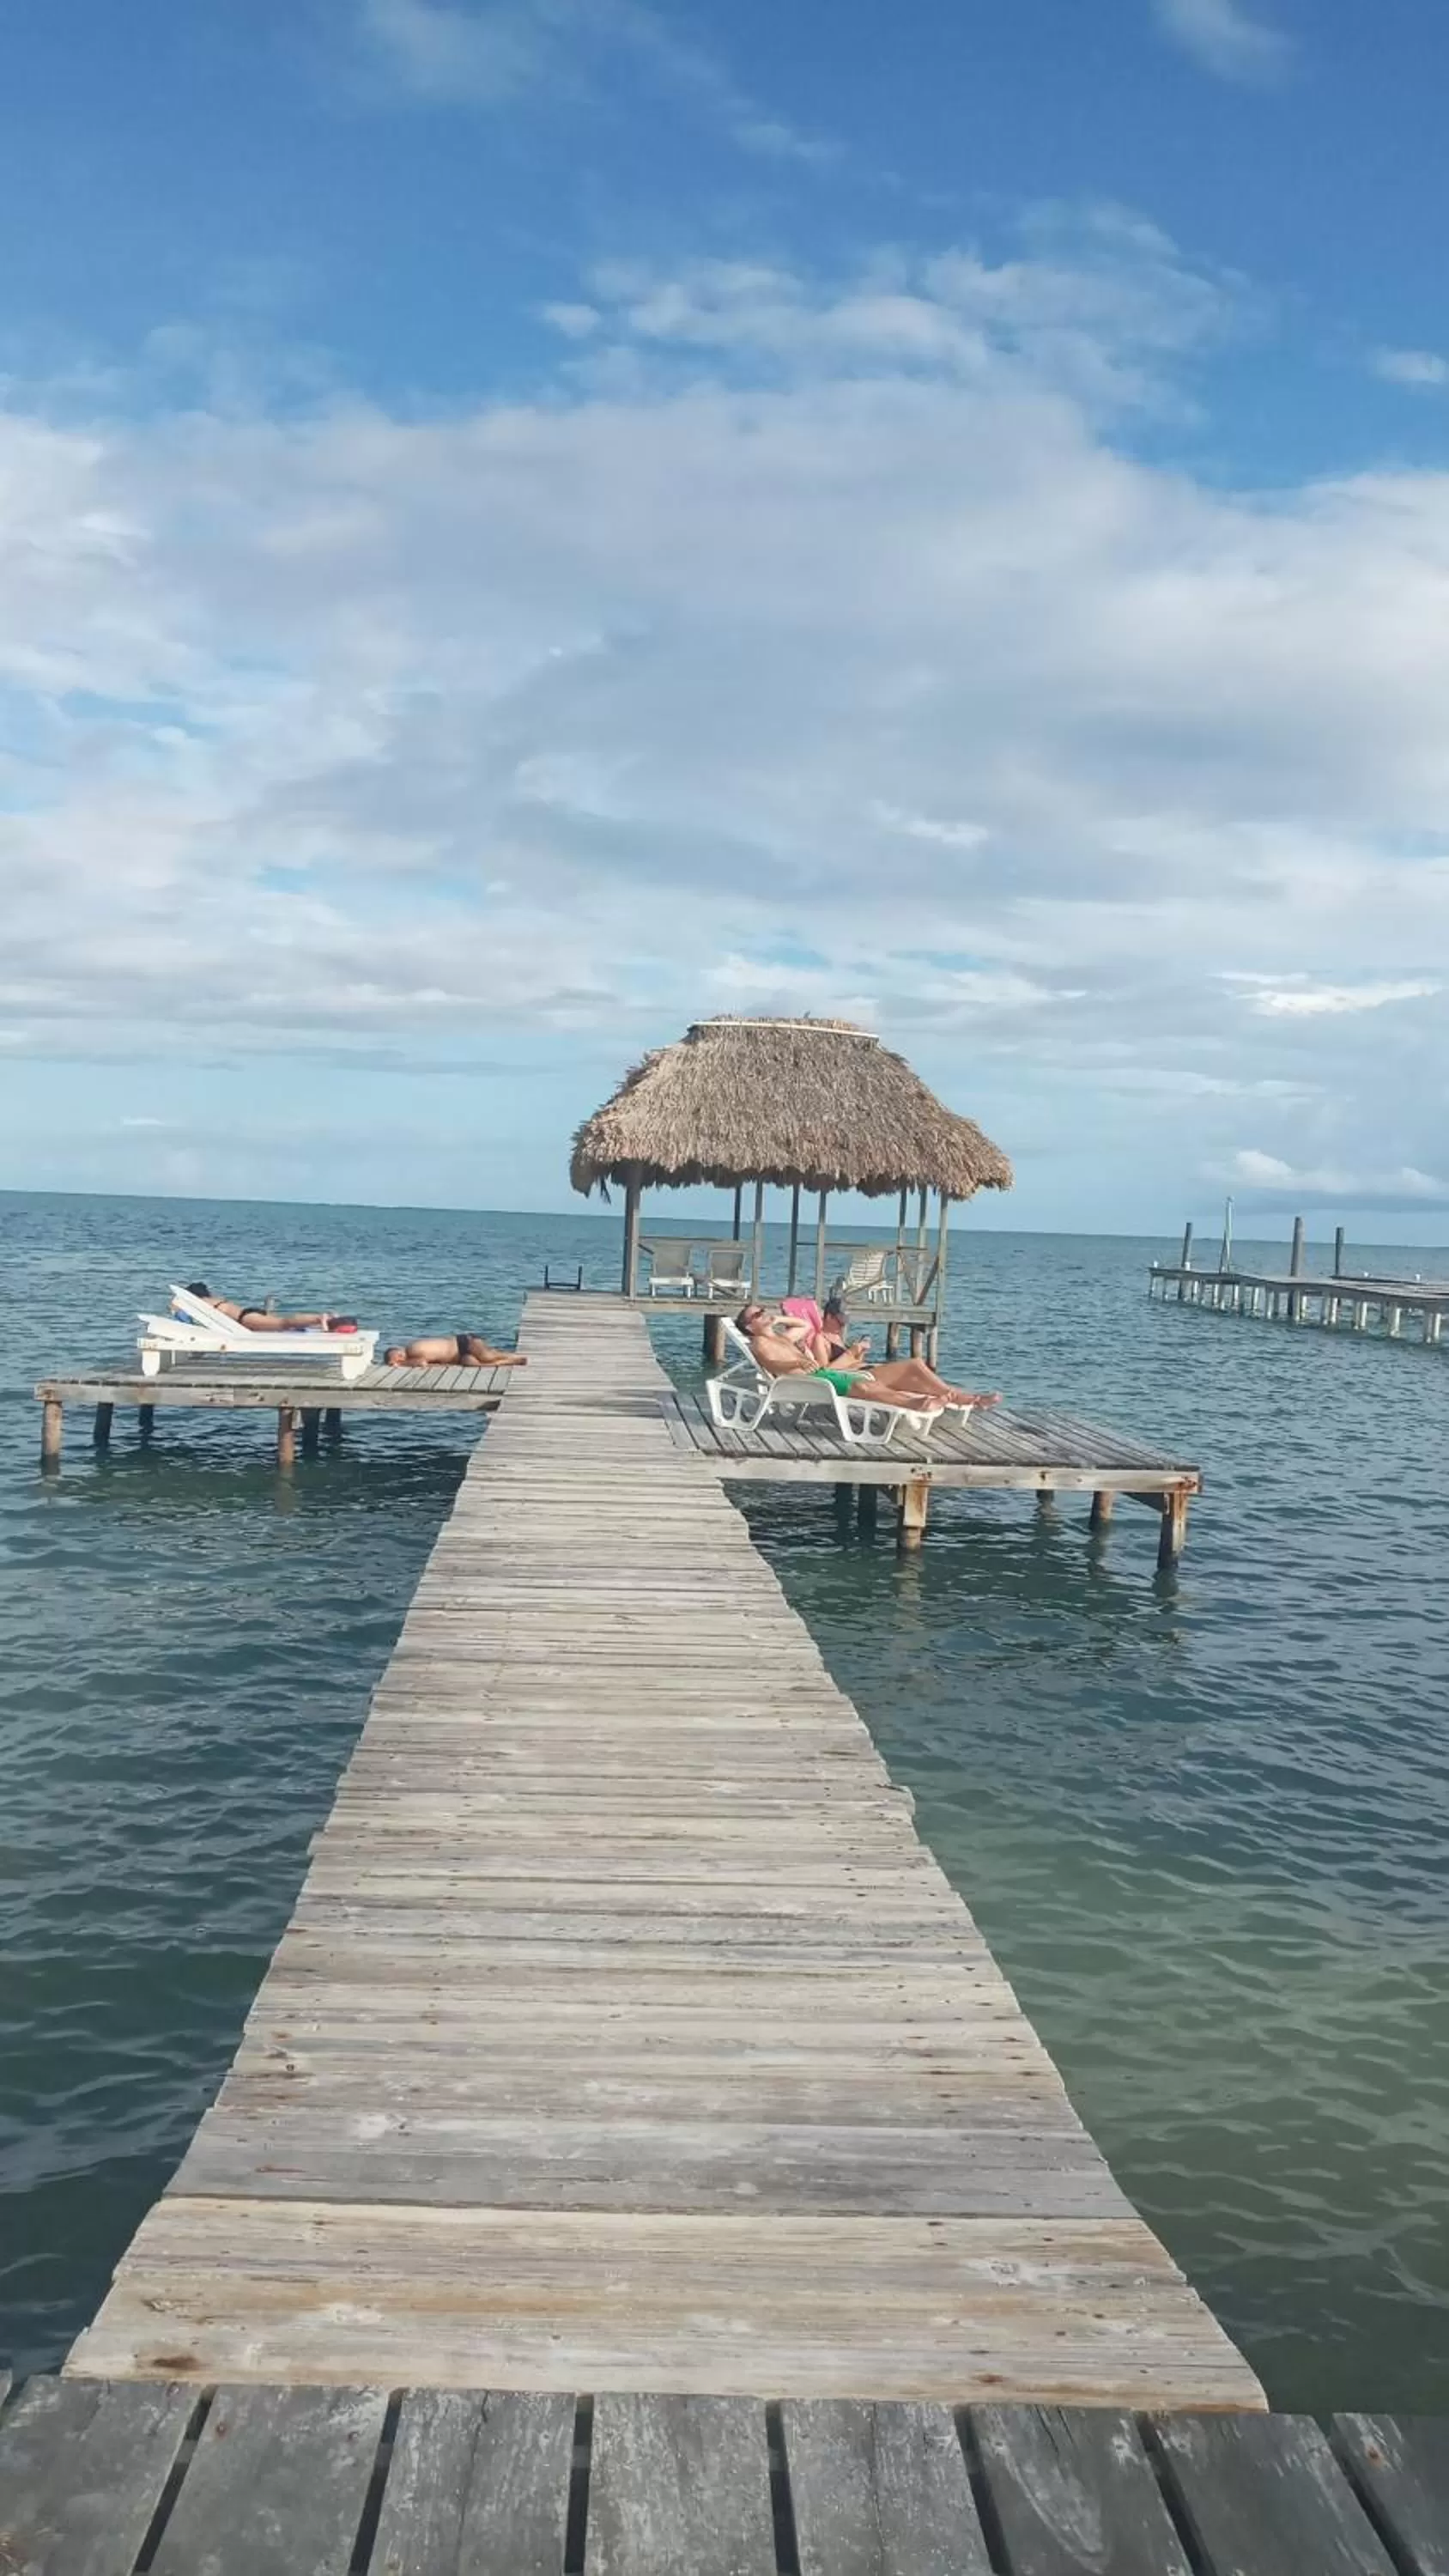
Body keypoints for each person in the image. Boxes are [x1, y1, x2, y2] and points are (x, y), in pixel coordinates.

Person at [737, 1305, 998, 1411]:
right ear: (749, 1327)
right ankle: (919, 1403)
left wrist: (777, 1318)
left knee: (915, 1365)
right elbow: (772, 1365)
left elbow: (803, 1325)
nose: (763, 1313)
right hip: (815, 1381)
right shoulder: (759, 1343)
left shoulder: (781, 1338)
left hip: (824, 1376)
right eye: (757, 1314)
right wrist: (796, 1362)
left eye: (761, 1309)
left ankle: (963, 1397)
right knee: (865, 1387)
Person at [184, 1282, 352, 1332]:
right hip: (249, 1314)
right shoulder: (216, 1299)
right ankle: (326, 1321)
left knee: (284, 1324)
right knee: (284, 1324)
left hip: (247, 1320)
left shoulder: (202, 1304)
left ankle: (320, 1318)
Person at [384, 1332, 528, 1368]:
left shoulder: (412, 1350)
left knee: (489, 1356)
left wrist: (400, 1365)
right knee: (476, 1365)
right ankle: (510, 1362)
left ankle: (513, 1357)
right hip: (459, 1357)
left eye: (396, 1357)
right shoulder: (410, 1355)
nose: (398, 1360)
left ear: (399, 1352)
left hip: (463, 1343)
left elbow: (422, 1362)